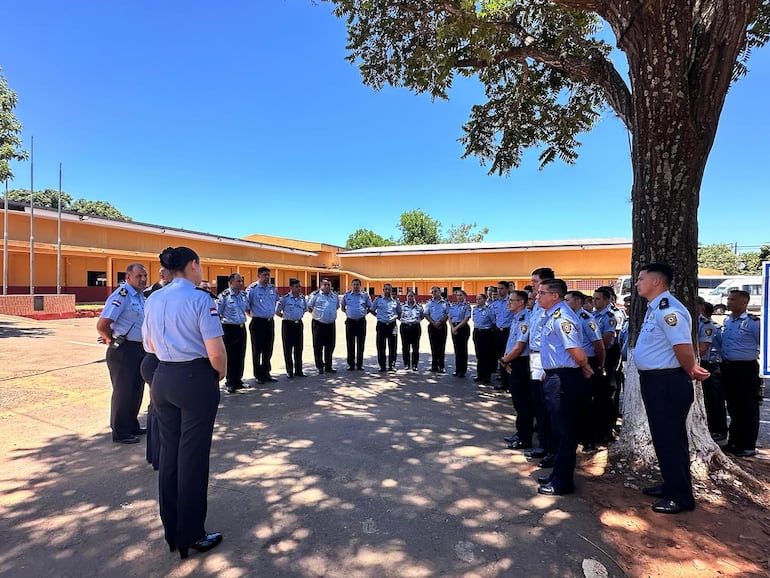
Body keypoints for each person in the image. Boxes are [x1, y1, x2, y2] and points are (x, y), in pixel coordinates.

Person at [142, 246, 226, 559]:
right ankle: (192, 533)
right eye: (200, 265)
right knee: (192, 458)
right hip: (194, 379)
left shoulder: (154, 298)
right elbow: (216, 352)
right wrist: (218, 374)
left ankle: (172, 530)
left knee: (170, 455)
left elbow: (149, 344)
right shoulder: (200, 299)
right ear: (192, 265)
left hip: (163, 377)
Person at [634, 263, 709, 514]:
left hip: (667, 381)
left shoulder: (669, 311)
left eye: (641, 278)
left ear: (656, 282)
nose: (637, 283)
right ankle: (670, 484)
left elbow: (683, 347)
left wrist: (691, 369)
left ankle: (681, 497)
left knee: (671, 439)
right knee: (662, 437)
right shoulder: (654, 308)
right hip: (655, 381)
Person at [535, 279, 594, 497]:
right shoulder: (553, 315)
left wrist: (585, 366)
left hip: (564, 379)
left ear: (555, 296)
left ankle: (562, 482)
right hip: (555, 375)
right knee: (557, 429)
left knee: (564, 431)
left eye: (542, 293)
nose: (538, 296)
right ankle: (557, 474)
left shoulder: (563, 318)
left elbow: (576, 352)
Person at [96, 263, 148, 444]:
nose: (142, 279)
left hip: (139, 349)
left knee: (136, 390)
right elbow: (102, 325)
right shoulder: (122, 295)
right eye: (138, 276)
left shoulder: (141, 297)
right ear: (128, 277)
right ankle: (120, 431)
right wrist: (112, 341)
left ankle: (132, 425)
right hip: (123, 350)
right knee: (123, 391)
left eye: (144, 276)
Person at [720, 289, 761, 458]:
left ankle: (748, 445)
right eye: (729, 299)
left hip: (746, 368)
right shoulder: (727, 321)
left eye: (733, 300)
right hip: (729, 367)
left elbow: (763, 342)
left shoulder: (753, 322)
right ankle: (734, 441)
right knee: (734, 406)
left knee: (748, 407)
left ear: (744, 302)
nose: (729, 302)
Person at [565, 290, 606, 451]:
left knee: (587, 402)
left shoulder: (587, 319)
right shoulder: (567, 318)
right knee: (575, 401)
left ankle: (589, 439)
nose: (564, 303)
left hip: (589, 362)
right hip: (574, 363)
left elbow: (599, 345)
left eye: (567, 300)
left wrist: (600, 366)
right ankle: (578, 434)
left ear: (577, 302)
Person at [525, 267, 556, 467]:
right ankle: (544, 444)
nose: (533, 285)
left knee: (548, 407)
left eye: (535, 282)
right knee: (538, 403)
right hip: (534, 357)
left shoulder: (551, 307)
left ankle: (552, 449)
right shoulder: (537, 304)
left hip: (544, 360)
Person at [500, 290, 533, 449]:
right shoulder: (517, 318)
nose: (509, 303)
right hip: (513, 361)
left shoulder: (524, 319)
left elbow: (519, 347)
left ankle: (525, 438)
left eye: (512, 300)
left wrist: (504, 360)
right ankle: (520, 432)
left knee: (522, 402)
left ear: (521, 302)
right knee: (518, 402)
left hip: (520, 363)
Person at [696, 298, 727, 441]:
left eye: (697, 305)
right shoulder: (688, 321)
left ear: (702, 307)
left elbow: (702, 349)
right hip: (696, 362)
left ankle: (718, 430)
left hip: (709, 364)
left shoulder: (707, 325)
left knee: (713, 399)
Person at [592, 286, 619, 442]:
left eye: (598, 299)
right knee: (596, 394)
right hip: (595, 356)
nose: (595, 301)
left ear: (608, 300)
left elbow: (607, 339)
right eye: (594, 298)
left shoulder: (609, 316)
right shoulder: (594, 315)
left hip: (606, 356)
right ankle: (596, 428)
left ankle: (606, 430)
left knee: (605, 393)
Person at [246, 267, 279, 384]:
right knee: (257, 350)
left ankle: (266, 372)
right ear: (259, 275)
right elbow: (247, 307)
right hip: (257, 323)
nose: (267, 278)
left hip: (270, 322)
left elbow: (276, 301)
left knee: (268, 349)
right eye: (265, 275)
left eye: (268, 275)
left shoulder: (272, 288)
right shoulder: (252, 289)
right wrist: (256, 316)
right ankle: (258, 374)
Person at [217, 273, 249, 393]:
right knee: (230, 356)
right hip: (229, 328)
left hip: (241, 328)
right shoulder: (224, 296)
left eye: (241, 281)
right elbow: (218, 313)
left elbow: (247, 309)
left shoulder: (243, 295)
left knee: (240, 355)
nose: (241, 283)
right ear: (231, 282)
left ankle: (238, 380)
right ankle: (230, 382)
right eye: (238, 281)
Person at [276, 278, 308, 378]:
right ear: (291, 288)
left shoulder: (302, 298)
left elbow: (305, 309)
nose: (299, 289)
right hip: (288, 325)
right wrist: (286, 317)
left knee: (299, 348)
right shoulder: (284, 299)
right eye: (297, 287)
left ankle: (299, 370)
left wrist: (298, 316)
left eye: (300, 287)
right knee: (288, 349)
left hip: (298, 324)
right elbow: (277, 312)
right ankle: (289, 371)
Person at [307, 279, 339, 374]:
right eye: (325, 285)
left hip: (331, 324)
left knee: (330, 345)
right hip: (318, 324)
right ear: (321, 285)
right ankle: (320, 366)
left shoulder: (335, 296)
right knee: (318, 346)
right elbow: (309, 307)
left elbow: (336, 307)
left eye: (328, 285)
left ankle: (328, 366)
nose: (327, 286)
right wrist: (317, 315)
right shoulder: (315, 295)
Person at [340, 279, 372, 371]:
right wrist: (349, 313)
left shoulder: (365, 295)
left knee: (361, 344)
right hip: (350, 322)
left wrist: (363, 313)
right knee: (350, 344)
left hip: (361, 322)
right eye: (354, 284)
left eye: (357, 284)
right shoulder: (347, 295)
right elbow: (342, 307)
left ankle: (360, 364)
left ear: (360, 286)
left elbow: (369, 307)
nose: (356, 286)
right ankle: (351, 364)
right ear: (351, 285)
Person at [370, 283, 402, 372]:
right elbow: (372, 310)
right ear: (383, 290)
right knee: (381, 346)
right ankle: (382, 366)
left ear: (392, 291)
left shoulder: (396, 301)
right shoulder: (378, 300)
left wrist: (395, 317)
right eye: (386, 289)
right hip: (381, 325)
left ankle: (392, 365)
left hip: (392, 325)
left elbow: (399, 312)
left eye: (389, 289)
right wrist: (378, 316)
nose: (387, 291)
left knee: (393, 346)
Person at [490, 281, 514, 388]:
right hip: (499, 332)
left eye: (502, 288)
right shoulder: (495, 303)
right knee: (501, 357)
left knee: (510, 357)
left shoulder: (512, 301)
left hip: (509, 332)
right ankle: (504, 382)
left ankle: (511, 382)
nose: (499, 291)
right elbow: (493, 318)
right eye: (498, 289)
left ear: (507, 289)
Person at [472, 293, 496, 385]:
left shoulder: (489, 310)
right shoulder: (475, 309)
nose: (478, 300)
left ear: (485, 300)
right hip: (477, 332)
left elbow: (493, 322)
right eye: (477, 299)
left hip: (486, 333)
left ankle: (487, 377)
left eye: (480, 299)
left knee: (487, 356)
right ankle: (480, 375)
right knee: (479, 355)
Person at [425, 286, 449, 373]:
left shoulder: (445, 303)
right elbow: (426, 315)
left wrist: (440, 322)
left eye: (435, 291)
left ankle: (441, 366)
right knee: (433, 346)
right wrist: (433, 323)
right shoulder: (429, 303)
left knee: (441, 346)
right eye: (432, 292)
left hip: (442, 326)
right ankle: (434, 366)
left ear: (440, 292)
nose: (434, 293)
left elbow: (447, 314)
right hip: (432, 326)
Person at [449, 290, 472, 377]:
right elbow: (449, 317)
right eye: (457, 295)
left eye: (461, 295)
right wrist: (452, 327)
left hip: (462, 328)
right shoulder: (453, 306)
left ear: (464, 296)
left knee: (463, 350)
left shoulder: (467, 306)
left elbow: (466, 319)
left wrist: (456, 328)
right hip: (454, 328)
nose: (459, 297)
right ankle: (457, 369)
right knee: (457, 349)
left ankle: (462, 370)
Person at [399, 290, 424, 371]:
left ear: (414, 297)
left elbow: (422, 316)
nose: (410, 297)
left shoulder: (419, 307)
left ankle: (414, 364)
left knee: (415, 347)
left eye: (411, 296)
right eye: (408, 296)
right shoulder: (402, 306)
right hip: (405, 327)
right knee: (405, 347)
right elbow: (398, 315)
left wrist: (415, 321)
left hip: (415, 327)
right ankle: (406, 364)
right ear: (406, 297)